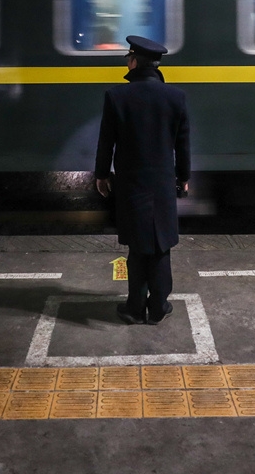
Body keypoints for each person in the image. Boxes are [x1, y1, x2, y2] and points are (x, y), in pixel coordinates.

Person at [95, 35, 191, 325]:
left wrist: (101, 175)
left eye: (128, 58)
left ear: (135, 62)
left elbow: (106, 142)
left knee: (137, 248)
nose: (127, 62)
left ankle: (134, 308)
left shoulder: (116, 96)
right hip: (162, 183)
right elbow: (182, 144)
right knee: (161, 246)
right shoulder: (176, 97)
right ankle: (159, 306)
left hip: (131, 184)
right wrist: (184, 177)